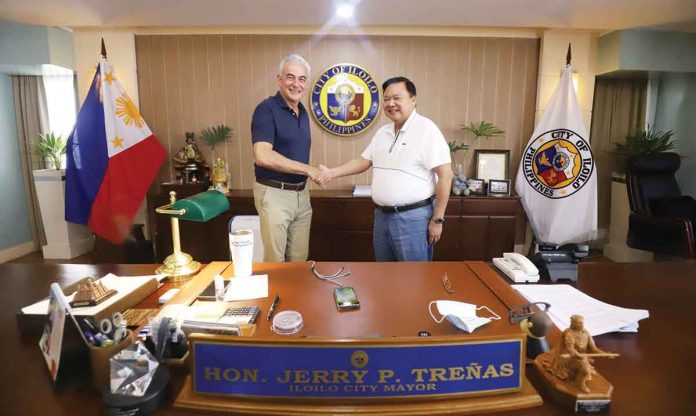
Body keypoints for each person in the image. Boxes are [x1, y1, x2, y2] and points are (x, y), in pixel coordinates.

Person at [319, 77, 453, 261]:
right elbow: (363, 161)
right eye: (387, 99)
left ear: (413, 100)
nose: (391, 104)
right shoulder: (383, 132)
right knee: (384, 275)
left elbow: (446, 176)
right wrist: (331, 173)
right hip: (382, 217)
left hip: (413, 219)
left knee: (413, 278)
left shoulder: (427, 130)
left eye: (397, 98)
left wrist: (438, 220)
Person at [251, 54, 320, 262]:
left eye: (302, 79)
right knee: (276, 263)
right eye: (290, 77)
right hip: (275, 194)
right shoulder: (266, 109)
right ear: (279, 79)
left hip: (302, 195)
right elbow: (262, 155)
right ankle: (275, 296)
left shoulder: (303, 112)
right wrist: (308, 169)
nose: (296, 84)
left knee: (299, 260)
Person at [545, 314, 607, 392]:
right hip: (570, 357)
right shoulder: (569, 333)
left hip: (581, 356)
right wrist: (577, 354)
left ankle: (581, 376)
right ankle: (580, 383)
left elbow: (594, 348)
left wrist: (603, 353)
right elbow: (570, 348)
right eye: (580, 323)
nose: (582, 325)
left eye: (582, 323)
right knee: (585, 369)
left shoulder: (586, 333)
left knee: (586, 365)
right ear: (574, 324)